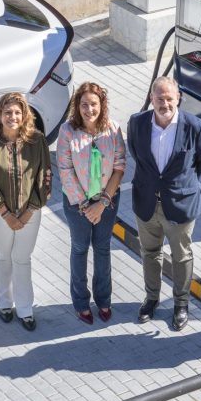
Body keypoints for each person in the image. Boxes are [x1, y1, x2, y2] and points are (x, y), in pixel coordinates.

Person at [127, 76, 201, 331]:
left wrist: (181, 184)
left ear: (178, 99)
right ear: (151, 98)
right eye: (160, 98)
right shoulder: (137, 123)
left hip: (180, 205)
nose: (165, 103)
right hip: (146, 203)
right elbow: (136, 154)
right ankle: (151, 298)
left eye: (169, 98)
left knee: (181, 256)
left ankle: (181, 304)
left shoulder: (195, 127)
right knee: (150, 252)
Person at [0, 92, 52, 331]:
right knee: (4, 255)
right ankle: (4, 303)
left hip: (31, 211)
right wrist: (5, 213)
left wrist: (29, 211)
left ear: (25, 114)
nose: (13, 116)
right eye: (8, 112)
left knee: (22, 258)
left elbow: (45, 177)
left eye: (17, 112)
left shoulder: (37, 141)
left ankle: (26, 309)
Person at [57, 82, 126, 325]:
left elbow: (119, 167)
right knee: (79, 249)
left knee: (103, 249)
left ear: (102, 105)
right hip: (78, 206)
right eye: (84, 104)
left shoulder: (113, 129)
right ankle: (81, 302)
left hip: (107, 203)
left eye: (94, 104)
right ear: (77, 106)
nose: (89, 109)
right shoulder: (67, 131)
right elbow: (65, 170)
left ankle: (104, 300)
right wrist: (86, 206)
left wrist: (103, 203)